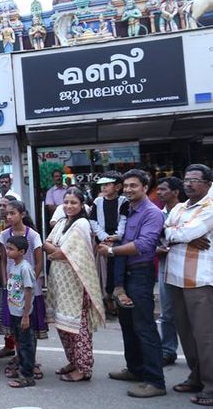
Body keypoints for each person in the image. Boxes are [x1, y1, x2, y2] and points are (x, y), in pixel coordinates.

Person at [98, 170, 166, 398]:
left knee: (144, 327)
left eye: (133, 186)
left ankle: (155, 381)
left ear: (145, 187)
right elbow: (123, 236)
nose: (128, 190)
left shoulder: (152, 213)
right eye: (125, 186)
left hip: (140, 273)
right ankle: (135, 369)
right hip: (123, 273)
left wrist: (111, 250)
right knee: (127, 324)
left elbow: (144, 244)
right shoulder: (128, 209)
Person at [163, 164, 213, 406]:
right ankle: (197, 376)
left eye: (194, 180)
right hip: (176, 277)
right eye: (186, 179)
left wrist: (181, 235)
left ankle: (211, 386)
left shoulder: (211, 205)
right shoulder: (182, 207)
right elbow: (165, 230)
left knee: (205, 335)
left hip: (201, 280)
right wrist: (181, 235)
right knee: (186, 333)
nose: (188, 183)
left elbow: (186, 232)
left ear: (207, 183)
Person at [44, 188, 105, 382]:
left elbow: (61, 253)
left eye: (74, 203)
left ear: (82, 205)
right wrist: (56, 251)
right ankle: (73, 361)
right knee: (64, 325)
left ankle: (84, 368)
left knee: (78, 328)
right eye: (66, 202)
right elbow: (49, 244)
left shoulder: (81, 224)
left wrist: (55, 252)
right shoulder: (62, 222)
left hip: (77, 284)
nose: (69, 206)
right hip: (61, 283)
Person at [0, 201, 47, 380]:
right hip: (12, 288)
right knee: (17, 329)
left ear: (22, 214)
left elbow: (40, 261)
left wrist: (30, 282)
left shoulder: (33, 235)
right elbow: (3, 260)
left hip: (28, 288)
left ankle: (30, 364)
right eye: (7, 214)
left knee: (29, 327)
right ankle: (21, 360)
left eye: (13, 213)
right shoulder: (4, 234)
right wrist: (6, 282)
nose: (9, 217)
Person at [89, 172, 129, 313]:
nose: (104, 187)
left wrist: (116, 236)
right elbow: (93, 221)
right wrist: (104, 236)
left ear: (117, 187)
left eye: (107, 184)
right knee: (102, 272)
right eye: (102, 185)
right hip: (101, 240)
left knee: (116, 264)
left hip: (117, 240)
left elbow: (124, 220)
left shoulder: (123, 201)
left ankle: (116, 290)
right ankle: (104, 298)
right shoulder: (97, 202)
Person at [156, 176, 183, 366]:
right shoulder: (158, 214)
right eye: (158, 189)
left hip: (188, 266)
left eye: (164, 189)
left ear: (175, 192)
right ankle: (168, 350)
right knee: (167, 313)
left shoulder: (188, 213)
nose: (159, 193)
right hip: (166, 266)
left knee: (193, 313)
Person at [4, 236, 37, 388]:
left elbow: (29, 291)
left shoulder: (25, 268)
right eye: (7, 248)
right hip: (14, 312)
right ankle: (22, 369)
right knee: (19, 343)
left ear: (22, 251)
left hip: (23, 314)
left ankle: (28, 376)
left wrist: (26, 315)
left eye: (11, 249)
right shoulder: (13, 266)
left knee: (26, 344)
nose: (7, 251)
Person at [0, 195, 19, 359]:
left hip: (13, 273)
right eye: (0, 205)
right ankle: (9, 344)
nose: (2, 209)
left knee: (16, 310)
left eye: (5, 206)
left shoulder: (17, 229)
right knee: (4, 309)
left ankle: (18, 348)